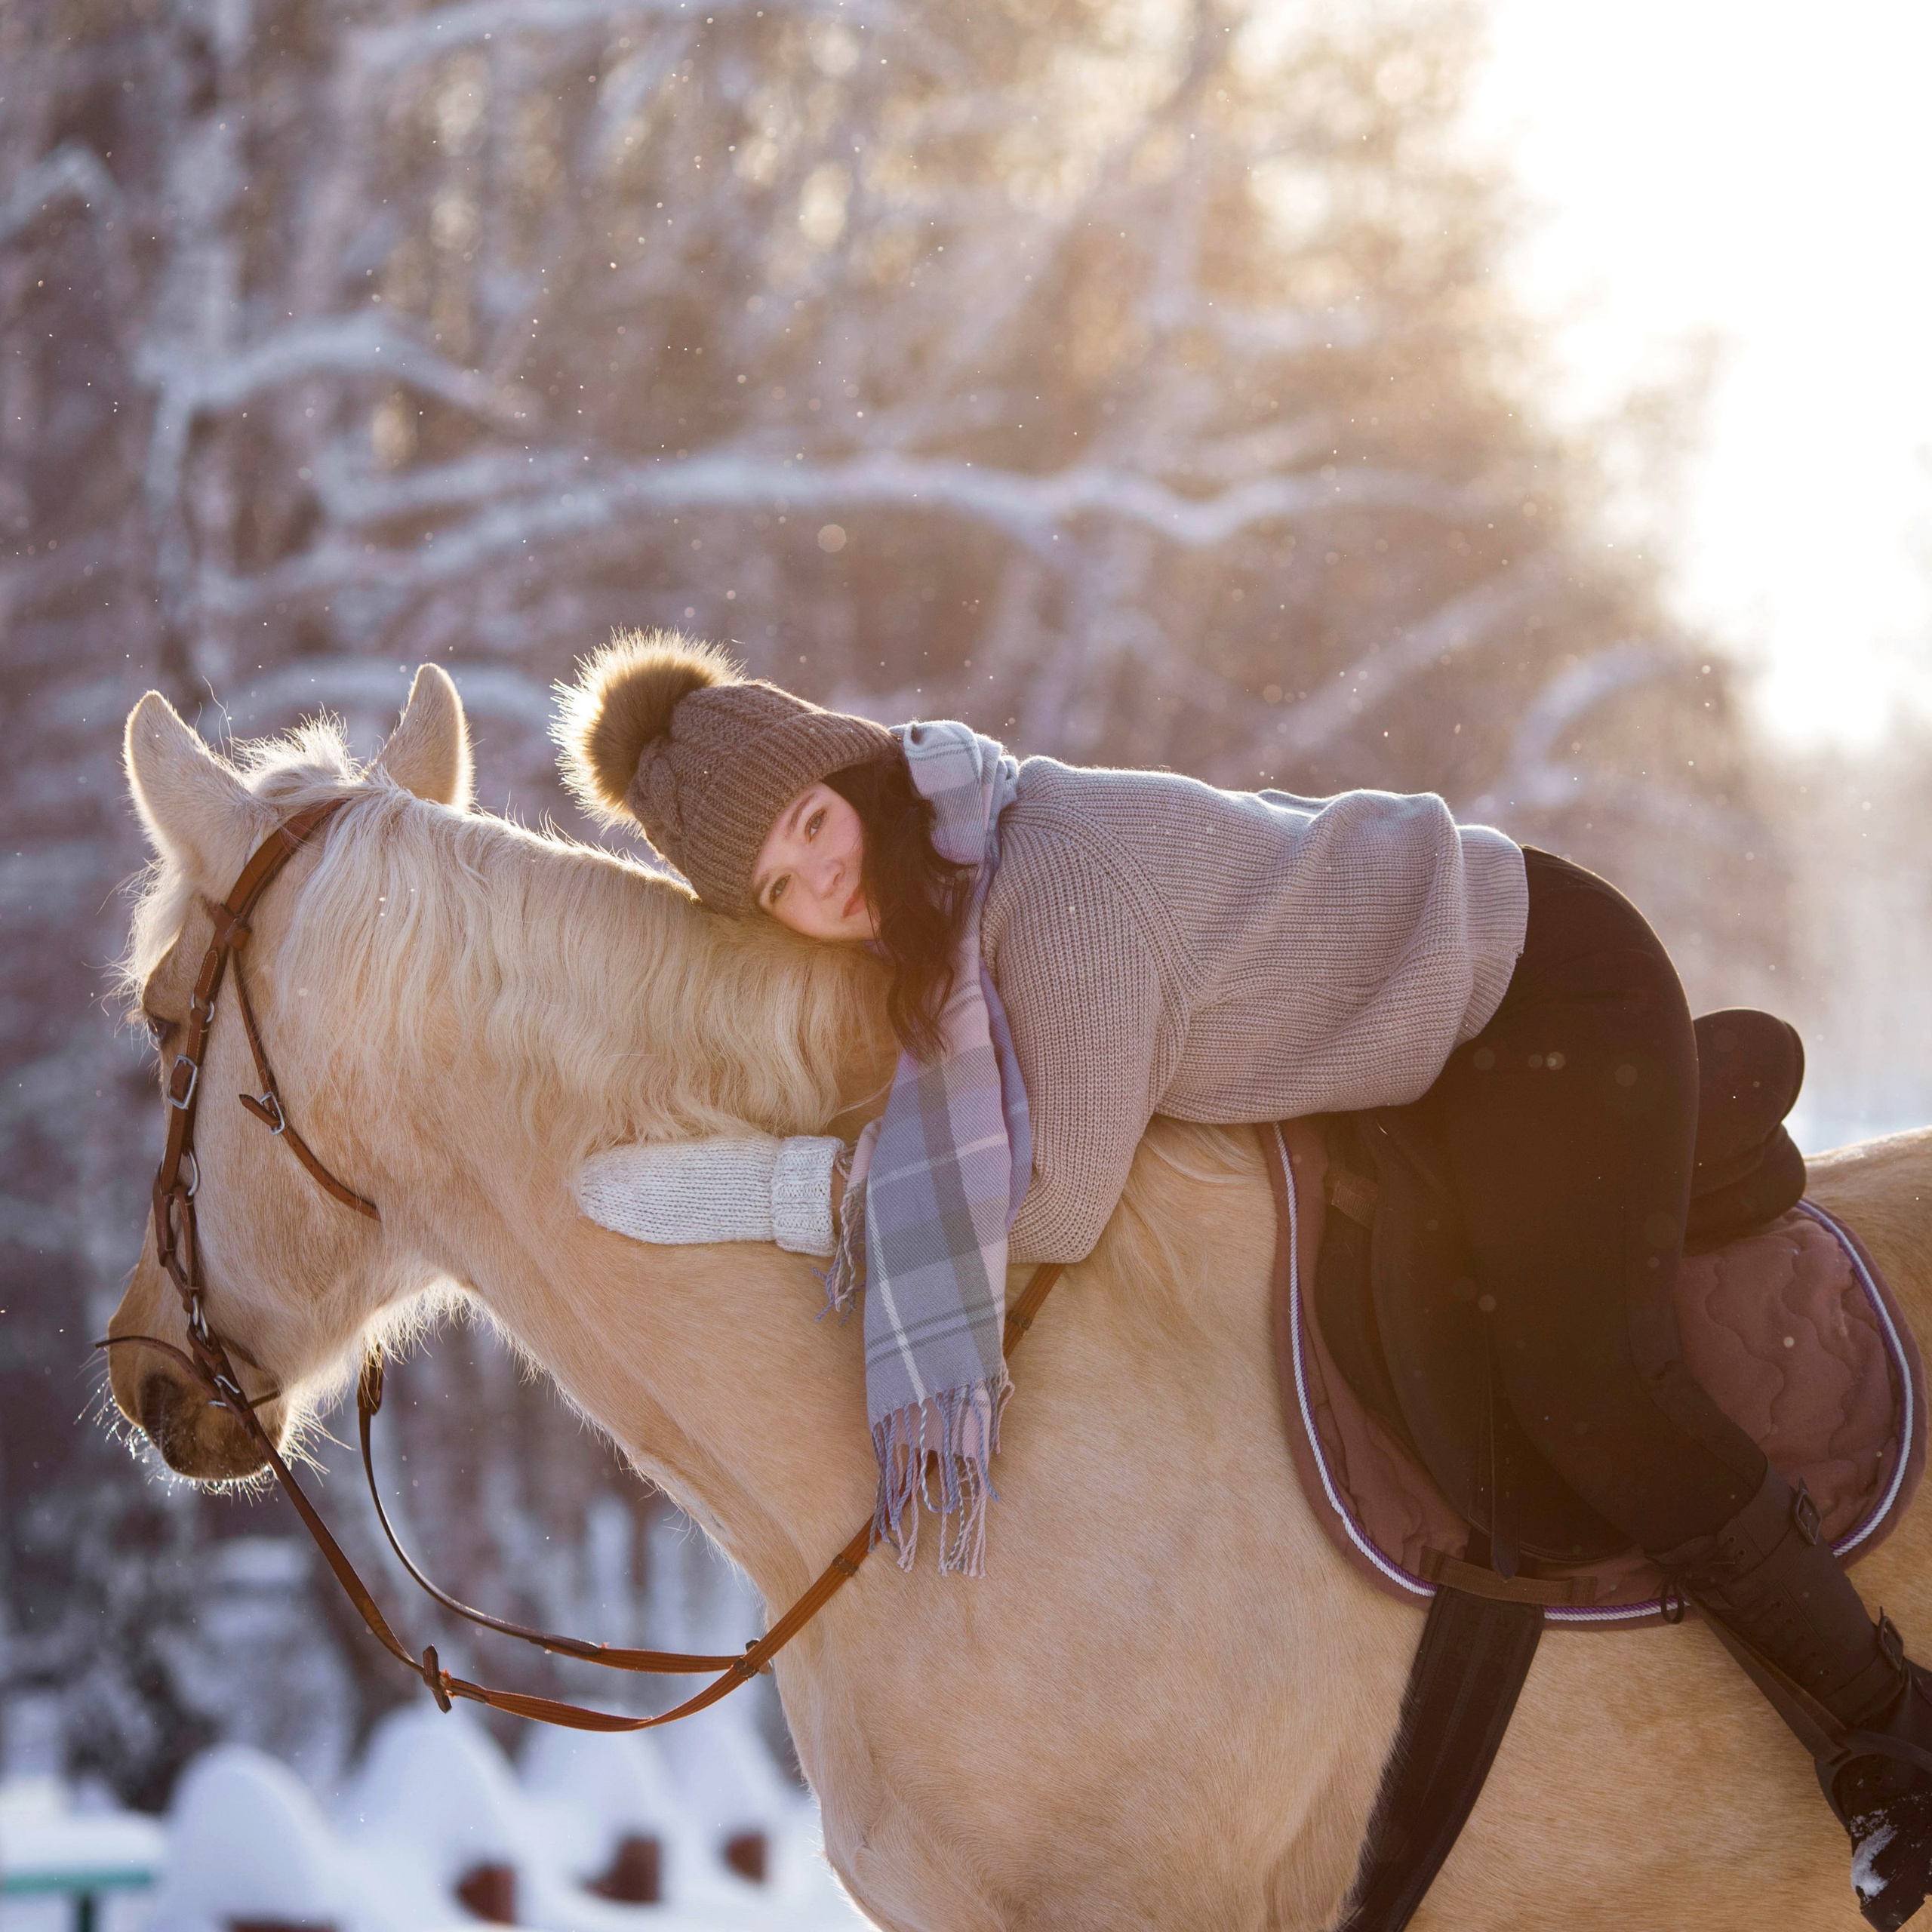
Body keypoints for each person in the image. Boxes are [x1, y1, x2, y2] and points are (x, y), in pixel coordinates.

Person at [557, 629, 1932, 1927]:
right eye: (776, 890)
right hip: (1429, 1061)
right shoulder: (952, 902)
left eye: (811, 826)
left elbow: (1060, 1203)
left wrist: (786, 1195)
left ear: (851, 770)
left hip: (1543, 994)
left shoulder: (1054, 892)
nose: (821, 885)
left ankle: (1893, 1741)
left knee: (1586, 1387)